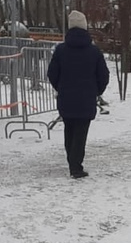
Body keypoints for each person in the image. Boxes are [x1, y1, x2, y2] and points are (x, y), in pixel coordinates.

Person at [47, 10, 109, 179]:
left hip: (66, 97)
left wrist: (60, 87)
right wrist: (96, 91)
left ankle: (72, 161)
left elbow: (52, 73)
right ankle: (76, 166)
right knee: (81, 132)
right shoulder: (94, 51)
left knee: (69, 129)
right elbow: (103, 75)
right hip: (86, 97)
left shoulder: (60, 51)